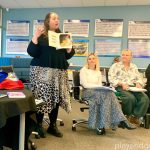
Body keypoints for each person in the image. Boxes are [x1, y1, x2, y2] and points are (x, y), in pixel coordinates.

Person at [27, 12, 75, 138]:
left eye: (58, 18)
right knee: (42, 98)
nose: (57, 20)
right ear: (47, 21)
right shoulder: (42, 35)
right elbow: (31, 52)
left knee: (56, 98)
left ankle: (52, 126)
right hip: (41, 71)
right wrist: (35, 37)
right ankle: (38, 125)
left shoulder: (62, 36)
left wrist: (70, 47)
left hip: (58, 72)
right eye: (54, 18)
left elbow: (67, 55)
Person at [80, 53, 136, 135]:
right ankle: (120, 121)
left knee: (110, 93)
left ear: (96, 60)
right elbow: (85, 85)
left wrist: (103, 88)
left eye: (93, 58)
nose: (92, 60)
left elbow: (99, 85)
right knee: (105, 96)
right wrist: (98, 87)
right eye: (90, 59)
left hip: (97, 92)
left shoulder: (98, 72)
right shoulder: (83, 70)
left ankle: (110, 122)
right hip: (87, 92)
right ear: (87, 61)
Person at [108, 49, 149, 126]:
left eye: (127, 55)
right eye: (123, 55)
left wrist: (138, 83)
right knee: (130, 98)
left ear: (131, 57)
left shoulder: (134, 66)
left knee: (145, 99)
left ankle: (134, 117)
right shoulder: (115, 66)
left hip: (133, 87)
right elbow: (111, 78)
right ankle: (126, 116)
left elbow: (139, 78)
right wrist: (121, 83)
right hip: (120, 86)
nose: (124, 56)